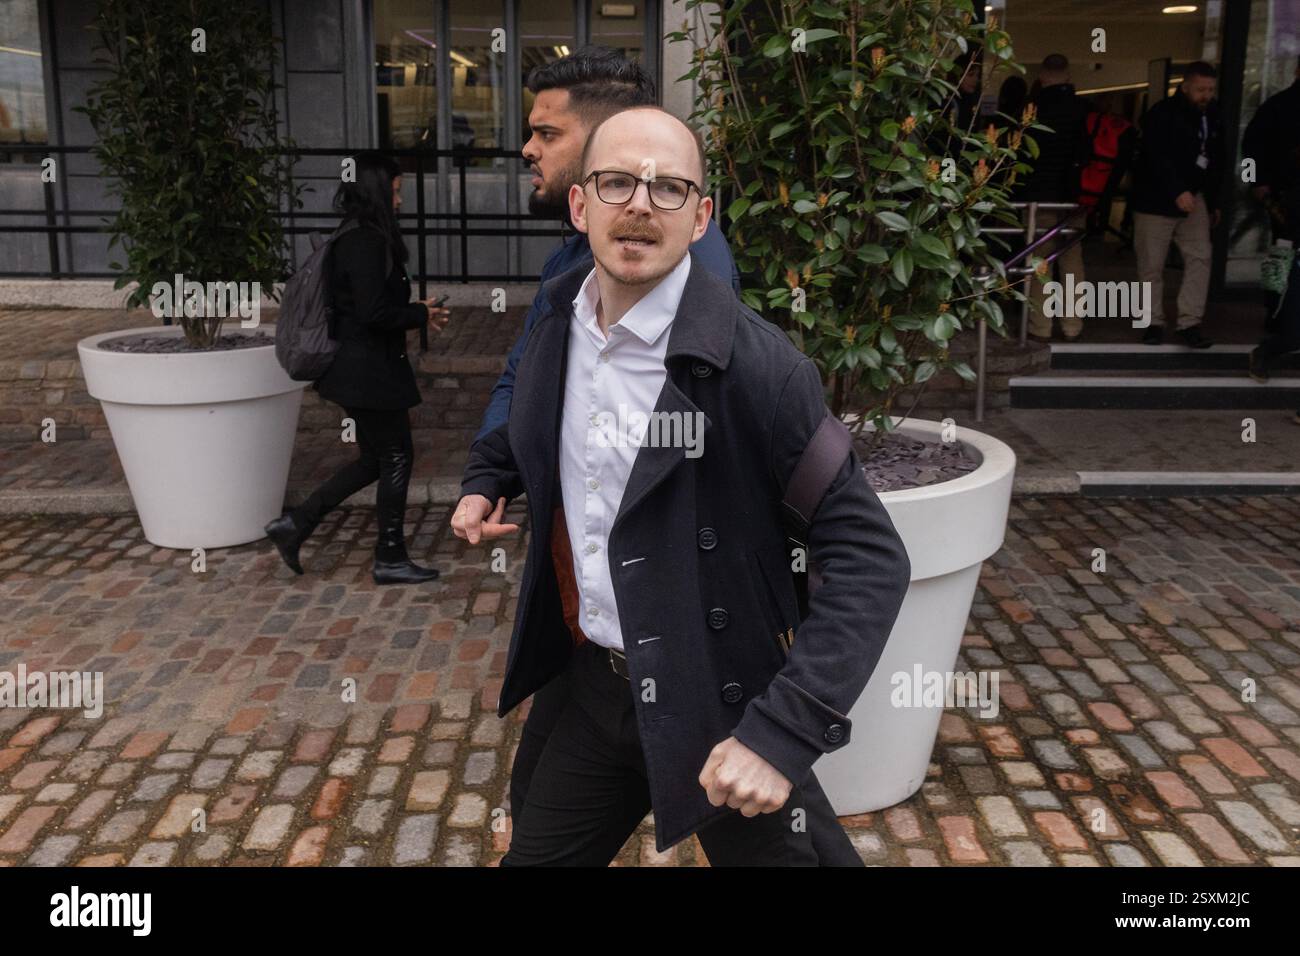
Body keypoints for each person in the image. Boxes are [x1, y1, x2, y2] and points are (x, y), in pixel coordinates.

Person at [449, 47, 899, 864]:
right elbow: (531, 413)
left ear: (700, 217)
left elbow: (868, 556)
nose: (640, 207)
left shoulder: (758, 368)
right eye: (618, 183)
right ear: (581, 205)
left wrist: (783, 730)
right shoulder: (558, 322)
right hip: (591, 687)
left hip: (717, 698)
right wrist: (490, 476)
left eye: (670, 188)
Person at [265, 152, 451, 584]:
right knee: (398, 455)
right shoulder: (365, 241)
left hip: (359, 370)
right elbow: (372, 313)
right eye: (396, 191)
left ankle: (296, 525)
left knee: (375, 459)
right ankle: (389, 555)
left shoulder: (358, 235)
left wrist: (414, 310)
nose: (400, 200)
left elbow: (367, 306)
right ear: (376, 191)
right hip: (367, 373)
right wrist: (417, 315)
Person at [1131, 61, 1224, 348]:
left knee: (1200, 258)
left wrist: (1213, 201)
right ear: (1185, 87)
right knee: (1151, 265)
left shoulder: (1214, 115)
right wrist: (1177, 190)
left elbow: (1217, 159)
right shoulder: (1162, 114)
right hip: (1156, 201)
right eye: (1200, 89)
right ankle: (1152, 321)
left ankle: (1189, 321)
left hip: (1194, 198)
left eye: (1210, 89)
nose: (1206, 95)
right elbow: (1155, 157)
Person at [1243, 57, 1300, 424]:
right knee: (1282, 272)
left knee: (1282, 273)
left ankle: (1276, 329)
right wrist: (1259, 188)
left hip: (1285, 203)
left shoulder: (1277, 107)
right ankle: (1275, 333)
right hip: (1287, 204)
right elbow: (1252, 150)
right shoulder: (1278, 108)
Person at [1021, 54, 1092, 342]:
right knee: (1073, 261)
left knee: (1040, 263)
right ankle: (1073, 325)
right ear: (1068, 76)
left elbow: (1022, 154)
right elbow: (1087, 154)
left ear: (1042, 77)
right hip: (1074, 197)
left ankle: (1041, 325)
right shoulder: (1083, 109)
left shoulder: (1032, 110)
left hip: (1039, 195)